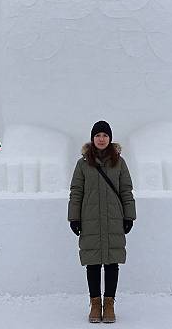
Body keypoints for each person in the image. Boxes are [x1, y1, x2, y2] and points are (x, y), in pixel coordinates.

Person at [68, 121, 136, 323]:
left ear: (110, 138)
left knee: (112, 262)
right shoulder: (82, 164)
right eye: (97, 135)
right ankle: (95, 304)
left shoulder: (119, 163)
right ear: (92, 138)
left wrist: (129, 216)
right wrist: (74, 218)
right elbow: (76, 192)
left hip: (114, 219)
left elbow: (126, 190)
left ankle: (110, 304)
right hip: (90, 220)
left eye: (105, 135)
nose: (101, 139)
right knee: (93, 263)